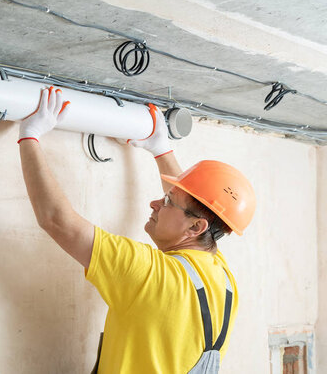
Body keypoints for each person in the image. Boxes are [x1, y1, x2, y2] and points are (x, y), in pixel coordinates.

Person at [17, 87, 256, 373]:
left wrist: (29, 136)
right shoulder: (222, 277)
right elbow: (195, 209)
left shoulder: (148, 274)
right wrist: (161, 149)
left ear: (196, 227)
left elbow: (56, 220)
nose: (155, 202)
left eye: (167, 201)